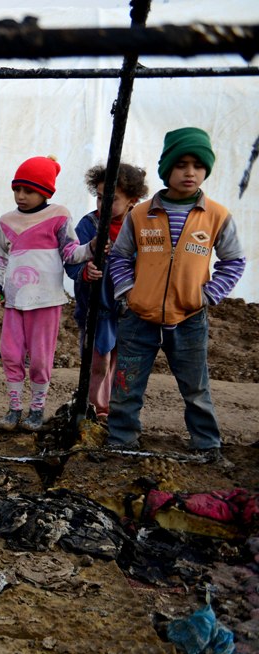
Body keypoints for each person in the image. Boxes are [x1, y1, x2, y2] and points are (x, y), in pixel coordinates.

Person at [107, 128, 246, 462]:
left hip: (189, 317)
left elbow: (234, 260)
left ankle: (206, 444)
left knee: (196, 387)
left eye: (198, 165)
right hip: (139, 317)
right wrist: (128, 291)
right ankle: (121, 440)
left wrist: (208, 295)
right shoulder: (141, 215)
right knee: (126, 384)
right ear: (167, 168)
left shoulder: (216, 216)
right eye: (181, 164)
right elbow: (120, 256)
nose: (190, 172)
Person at [0, 156, 93, 431]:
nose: (21, 196)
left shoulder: (58, 216)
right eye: (17, 189)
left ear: (45, 192)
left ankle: (36, 410)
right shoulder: (6, 221)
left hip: (46, 301)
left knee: (40, 358)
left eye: (29, 191)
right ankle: (14, 408)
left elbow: (71, 253)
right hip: (14, 301)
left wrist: (93, 247)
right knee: (10, 354)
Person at [64, 163, 148, 422]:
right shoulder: (89, 225)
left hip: (129, 308)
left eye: (112, 198)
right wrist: (85, 271)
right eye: (100, 197)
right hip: (95, 308)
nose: (103, 203)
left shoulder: (139, 227)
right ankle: (93, 408)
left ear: (132, 200)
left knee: (123, 362)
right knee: (97, 360)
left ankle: (114, 410)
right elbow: (71, 259)